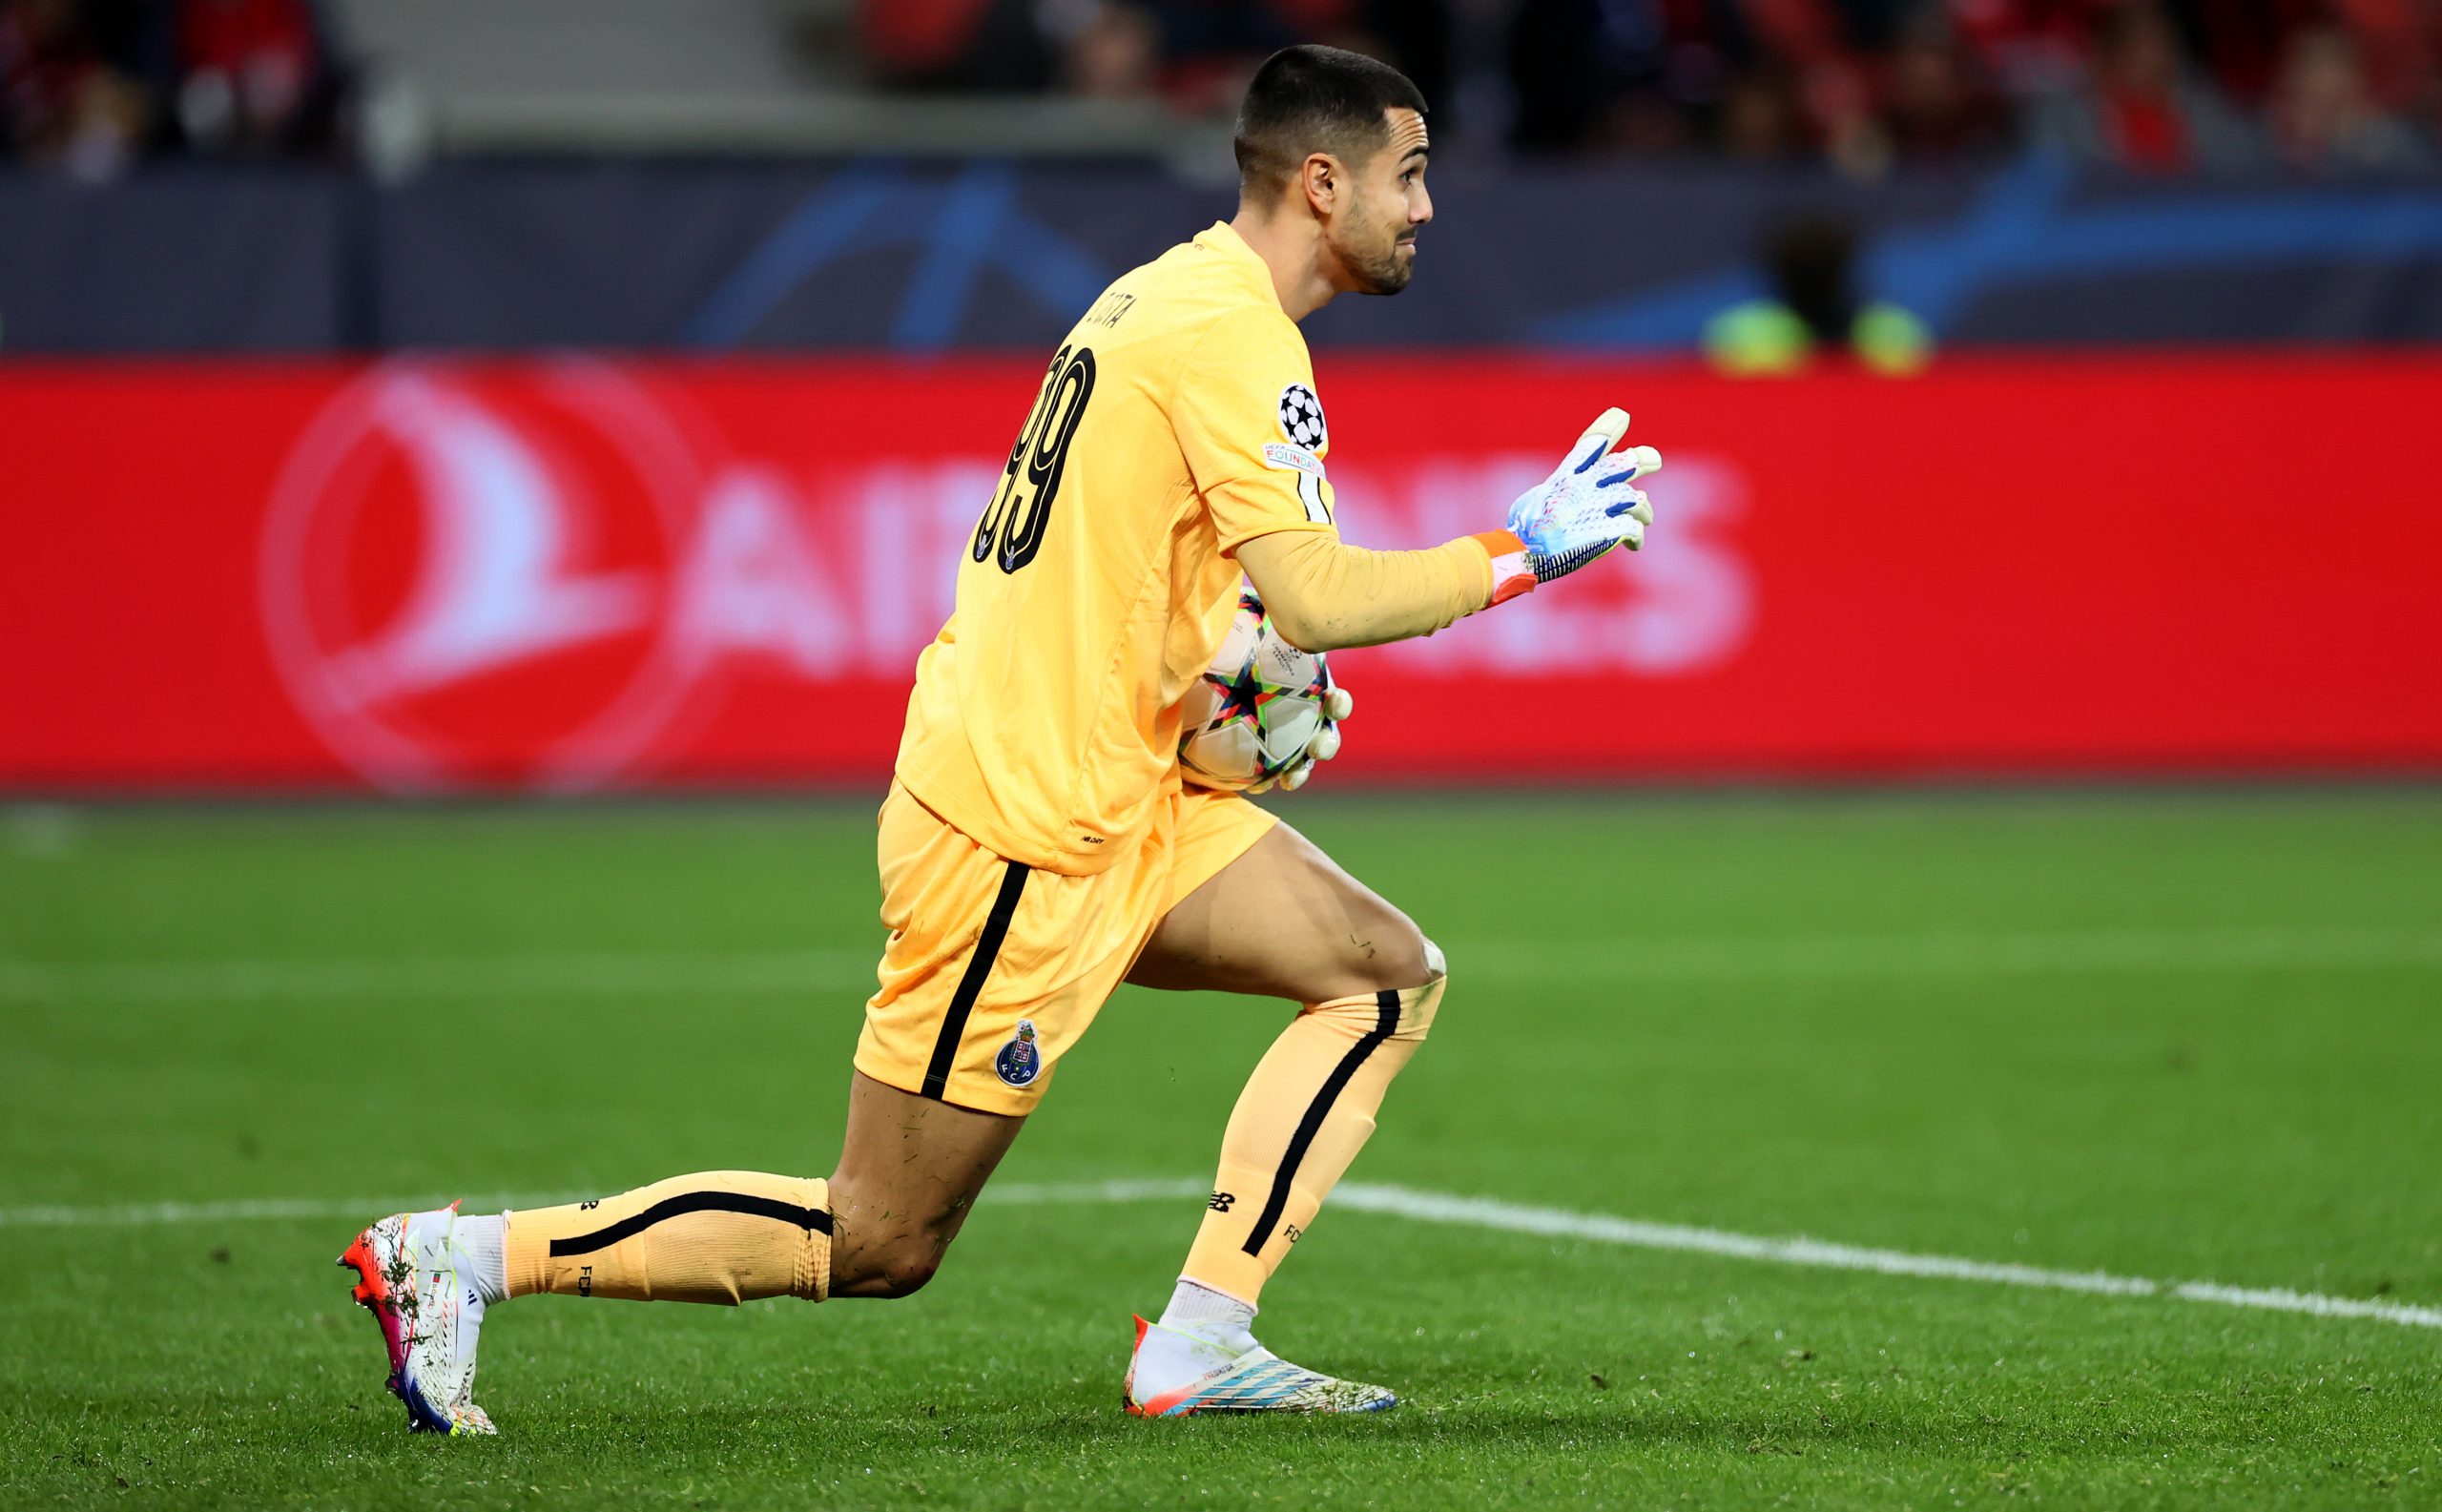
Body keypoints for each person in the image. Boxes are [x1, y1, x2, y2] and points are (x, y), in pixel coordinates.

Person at [336, 43, 1664, 1433]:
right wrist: (1518, 552)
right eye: (1411, 172)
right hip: (1021, 827)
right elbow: (1319, 595)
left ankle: (1201, 1339)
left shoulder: (1171, 292)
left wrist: (1229, 699)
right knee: (880, 1235)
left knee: (1386, 976)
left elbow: (1138, 580)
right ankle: (463, 1261)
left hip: (1115, 798)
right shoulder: (1229, 333)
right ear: (1323, 182)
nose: (1428, 206)